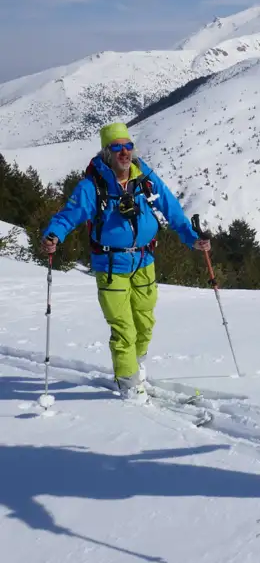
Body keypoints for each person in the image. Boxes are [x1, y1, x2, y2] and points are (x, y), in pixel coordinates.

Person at [40, 122, 210, 402]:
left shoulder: (145, 178)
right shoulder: (92, 186)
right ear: (106, 153)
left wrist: (192, 238)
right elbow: (68, 215)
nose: (124, 152)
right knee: (123, 328)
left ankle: (136, 365)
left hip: (144, 260)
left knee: (145, 322)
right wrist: (53, 235)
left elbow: (172, 209)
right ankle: (129, 383)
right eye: (116, 148)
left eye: (128, 146)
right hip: (110, 265)